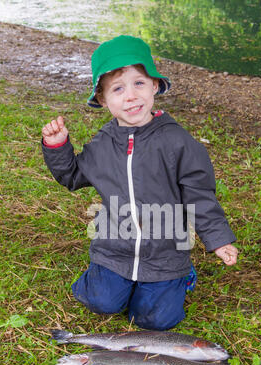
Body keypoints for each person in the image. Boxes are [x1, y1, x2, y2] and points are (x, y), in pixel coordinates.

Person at [41, 35, 238, 330]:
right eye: (118, 89)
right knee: (100, 301)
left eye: (139, 83)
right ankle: (107, 280)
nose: (131, 96)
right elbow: (72, 175)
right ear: (102, 100)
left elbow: (199, 193)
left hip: (165, 254)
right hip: (114, 250)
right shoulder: (103, 144)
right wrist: (57, 147)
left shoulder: (177, 142)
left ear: (155, 85)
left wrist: (218, 238)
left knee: (154, 320)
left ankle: (181, 278)